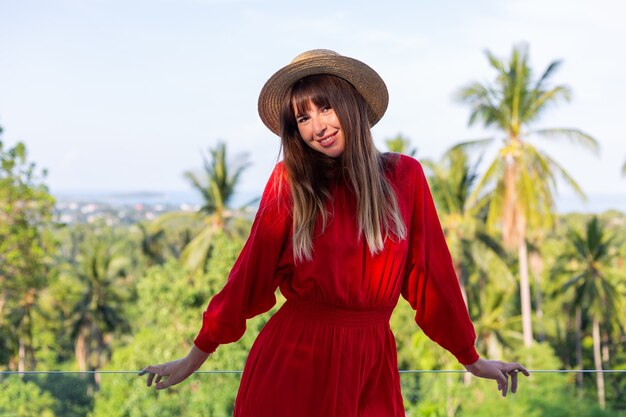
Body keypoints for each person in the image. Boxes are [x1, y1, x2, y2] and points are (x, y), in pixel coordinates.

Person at [140, 49, 529, 416]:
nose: (317, 127)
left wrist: (470, 357)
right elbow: (248, 275)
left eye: (324, 107)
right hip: (296, 362)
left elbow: (433, 277)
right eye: (302, 119)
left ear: (352, 104)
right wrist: (195, 356)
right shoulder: (291, 181)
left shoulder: (404, 177)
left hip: (372, 364)